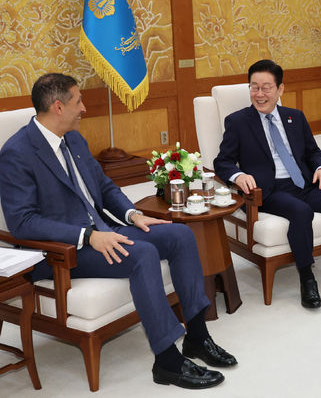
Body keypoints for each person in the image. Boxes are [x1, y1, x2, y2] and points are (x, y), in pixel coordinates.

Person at [0, 73, 237, 389]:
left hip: (103, 230)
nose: (84, 108)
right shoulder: (16, 153)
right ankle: (167, 362)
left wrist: (133, 214)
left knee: (180, 235)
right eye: (78, 101)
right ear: (58, 107)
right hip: (62, 251)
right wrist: (88, 237)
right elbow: (23, 222)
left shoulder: (74, 139)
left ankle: (196, 337)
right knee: (143, 255)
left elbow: (103, 186)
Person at [214, 59, 321, 309]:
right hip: (268, 190)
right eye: (254, 87)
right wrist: (238, 175)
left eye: (266, 88)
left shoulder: (294, 117)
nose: (259, 94)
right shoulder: (238, 121)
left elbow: (313, 152)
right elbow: (222, 161)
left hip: (303, 184)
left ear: (280, 89)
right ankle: (307, 279)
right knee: (301, 211)